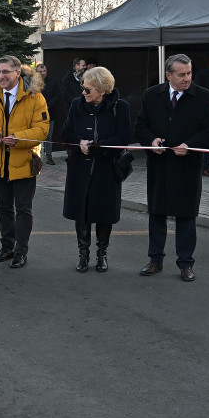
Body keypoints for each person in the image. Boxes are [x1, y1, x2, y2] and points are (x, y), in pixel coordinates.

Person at [135, 55, 209, 280]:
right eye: (181, 74)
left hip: (187, 167)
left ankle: (185, 264)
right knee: (157, 214)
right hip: (159, 166)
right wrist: (151, 141)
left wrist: (190, 146)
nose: (187, 78)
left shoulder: (204, 97)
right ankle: (155, 260)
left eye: (189, 73)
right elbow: (141, 125)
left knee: (186, 216)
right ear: (168, 75)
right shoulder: (151, 95)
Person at [0, 55, 50, 269]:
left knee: (23, 209)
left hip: (24, 161)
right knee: (4, 208)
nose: (1, 76)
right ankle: (7, 247)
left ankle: (20, 252)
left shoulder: (36, 97)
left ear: (18, 73)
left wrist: (18, 138)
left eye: (5, 72)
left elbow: (42, 128)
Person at [61, 66, 131, 273]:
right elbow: (65, 134)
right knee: (81, 212)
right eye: (83, 88)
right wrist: (79, 141)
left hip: (106, 169)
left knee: (103, 213)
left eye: (88, 89)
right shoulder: (77, 104)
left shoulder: (121, 107)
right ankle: (83, 255)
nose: (83, 92)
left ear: (102, 90)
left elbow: (123, 140)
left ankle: (102, 254)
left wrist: (97, 148)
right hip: (79, 168)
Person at [36, 63, 61, 165]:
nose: (43, 73)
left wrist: (47, 106)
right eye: (40, 71)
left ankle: (48, 156)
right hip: (36, 115)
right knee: (36, 136)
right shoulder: (34, 84)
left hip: (50, 113)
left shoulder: (53, 83)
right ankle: (36, 157)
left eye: (44, 71)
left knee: (49, 136)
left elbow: (57, 96)